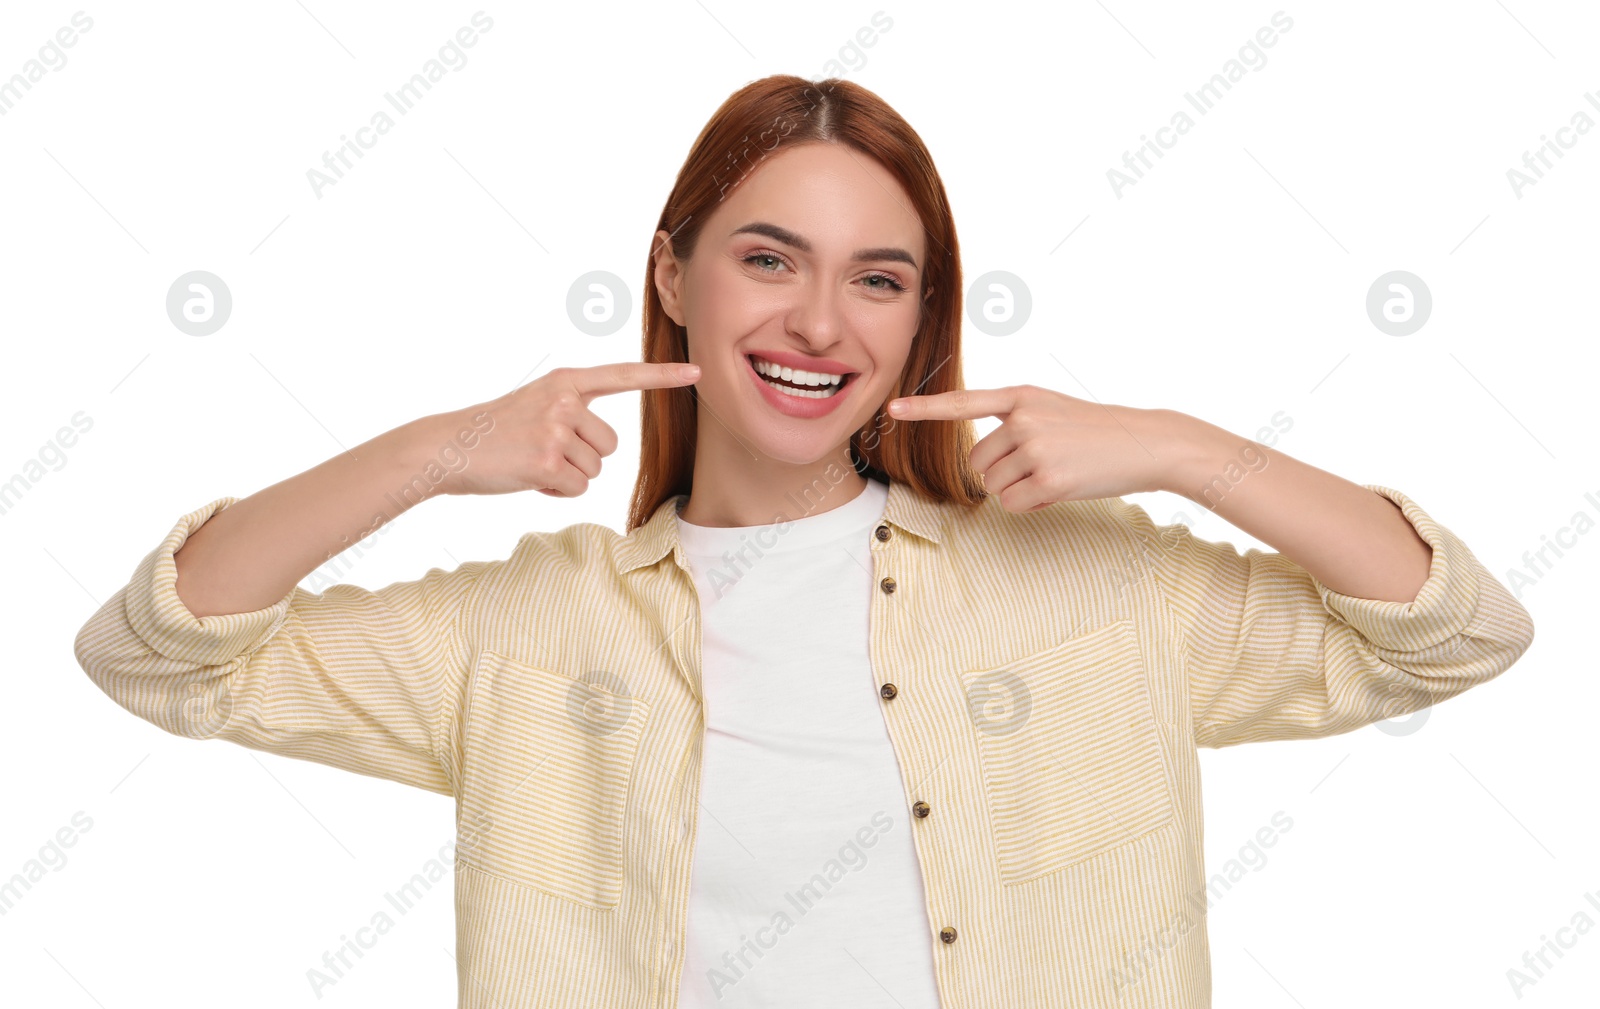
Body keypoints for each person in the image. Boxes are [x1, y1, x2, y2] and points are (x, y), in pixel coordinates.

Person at [74, 74, 1535, 1008]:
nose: (820, 324)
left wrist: (1175, 445)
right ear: (674, 272)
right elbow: (159, 656)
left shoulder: (1094, 583)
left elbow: (1457, 630)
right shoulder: (529, 629)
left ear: (919, 320)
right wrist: (434, 454)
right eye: (768, 257)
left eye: (877, 280)